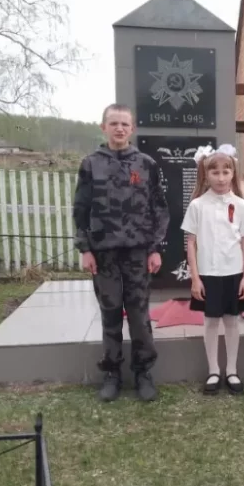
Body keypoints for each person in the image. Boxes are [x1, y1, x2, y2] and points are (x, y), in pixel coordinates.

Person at [73, 103, 170, 403]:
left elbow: (159, 210)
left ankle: (143, 372)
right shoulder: (91, 164)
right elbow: (81, 210)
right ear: (103, 127)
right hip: (104, 255)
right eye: (113, 123)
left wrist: (155, 248)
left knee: (139, 316)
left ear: (132, 129)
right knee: (110, 314)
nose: (119, 128)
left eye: (124, 124)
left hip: (138, 254)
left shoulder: (146, 164)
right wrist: (85, 249)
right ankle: (112, 373)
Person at [181, 144, 244, 396]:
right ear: (206, 174)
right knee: (211, 322)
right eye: (215, 172)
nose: (221, 178)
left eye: (226, 171)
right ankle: (214, 370)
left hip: (233, 273)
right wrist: (195, 278)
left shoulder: (241, 205)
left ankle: (231, 370)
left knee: (232, 322)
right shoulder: (197, 205)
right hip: (207, 275)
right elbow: (191, 243)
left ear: (233, 173)